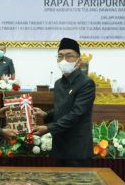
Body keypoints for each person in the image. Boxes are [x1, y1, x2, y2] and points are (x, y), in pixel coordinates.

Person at [32, 38, 96, 167]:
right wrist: (46, 115)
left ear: (78, 62)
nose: (64, 60)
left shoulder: (86, 83)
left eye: (69, 56)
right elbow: (61, 109)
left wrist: (48, 128)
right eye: (60, 56)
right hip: (59, 146)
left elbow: (76, 114)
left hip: (77, 149)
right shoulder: (58, 84)